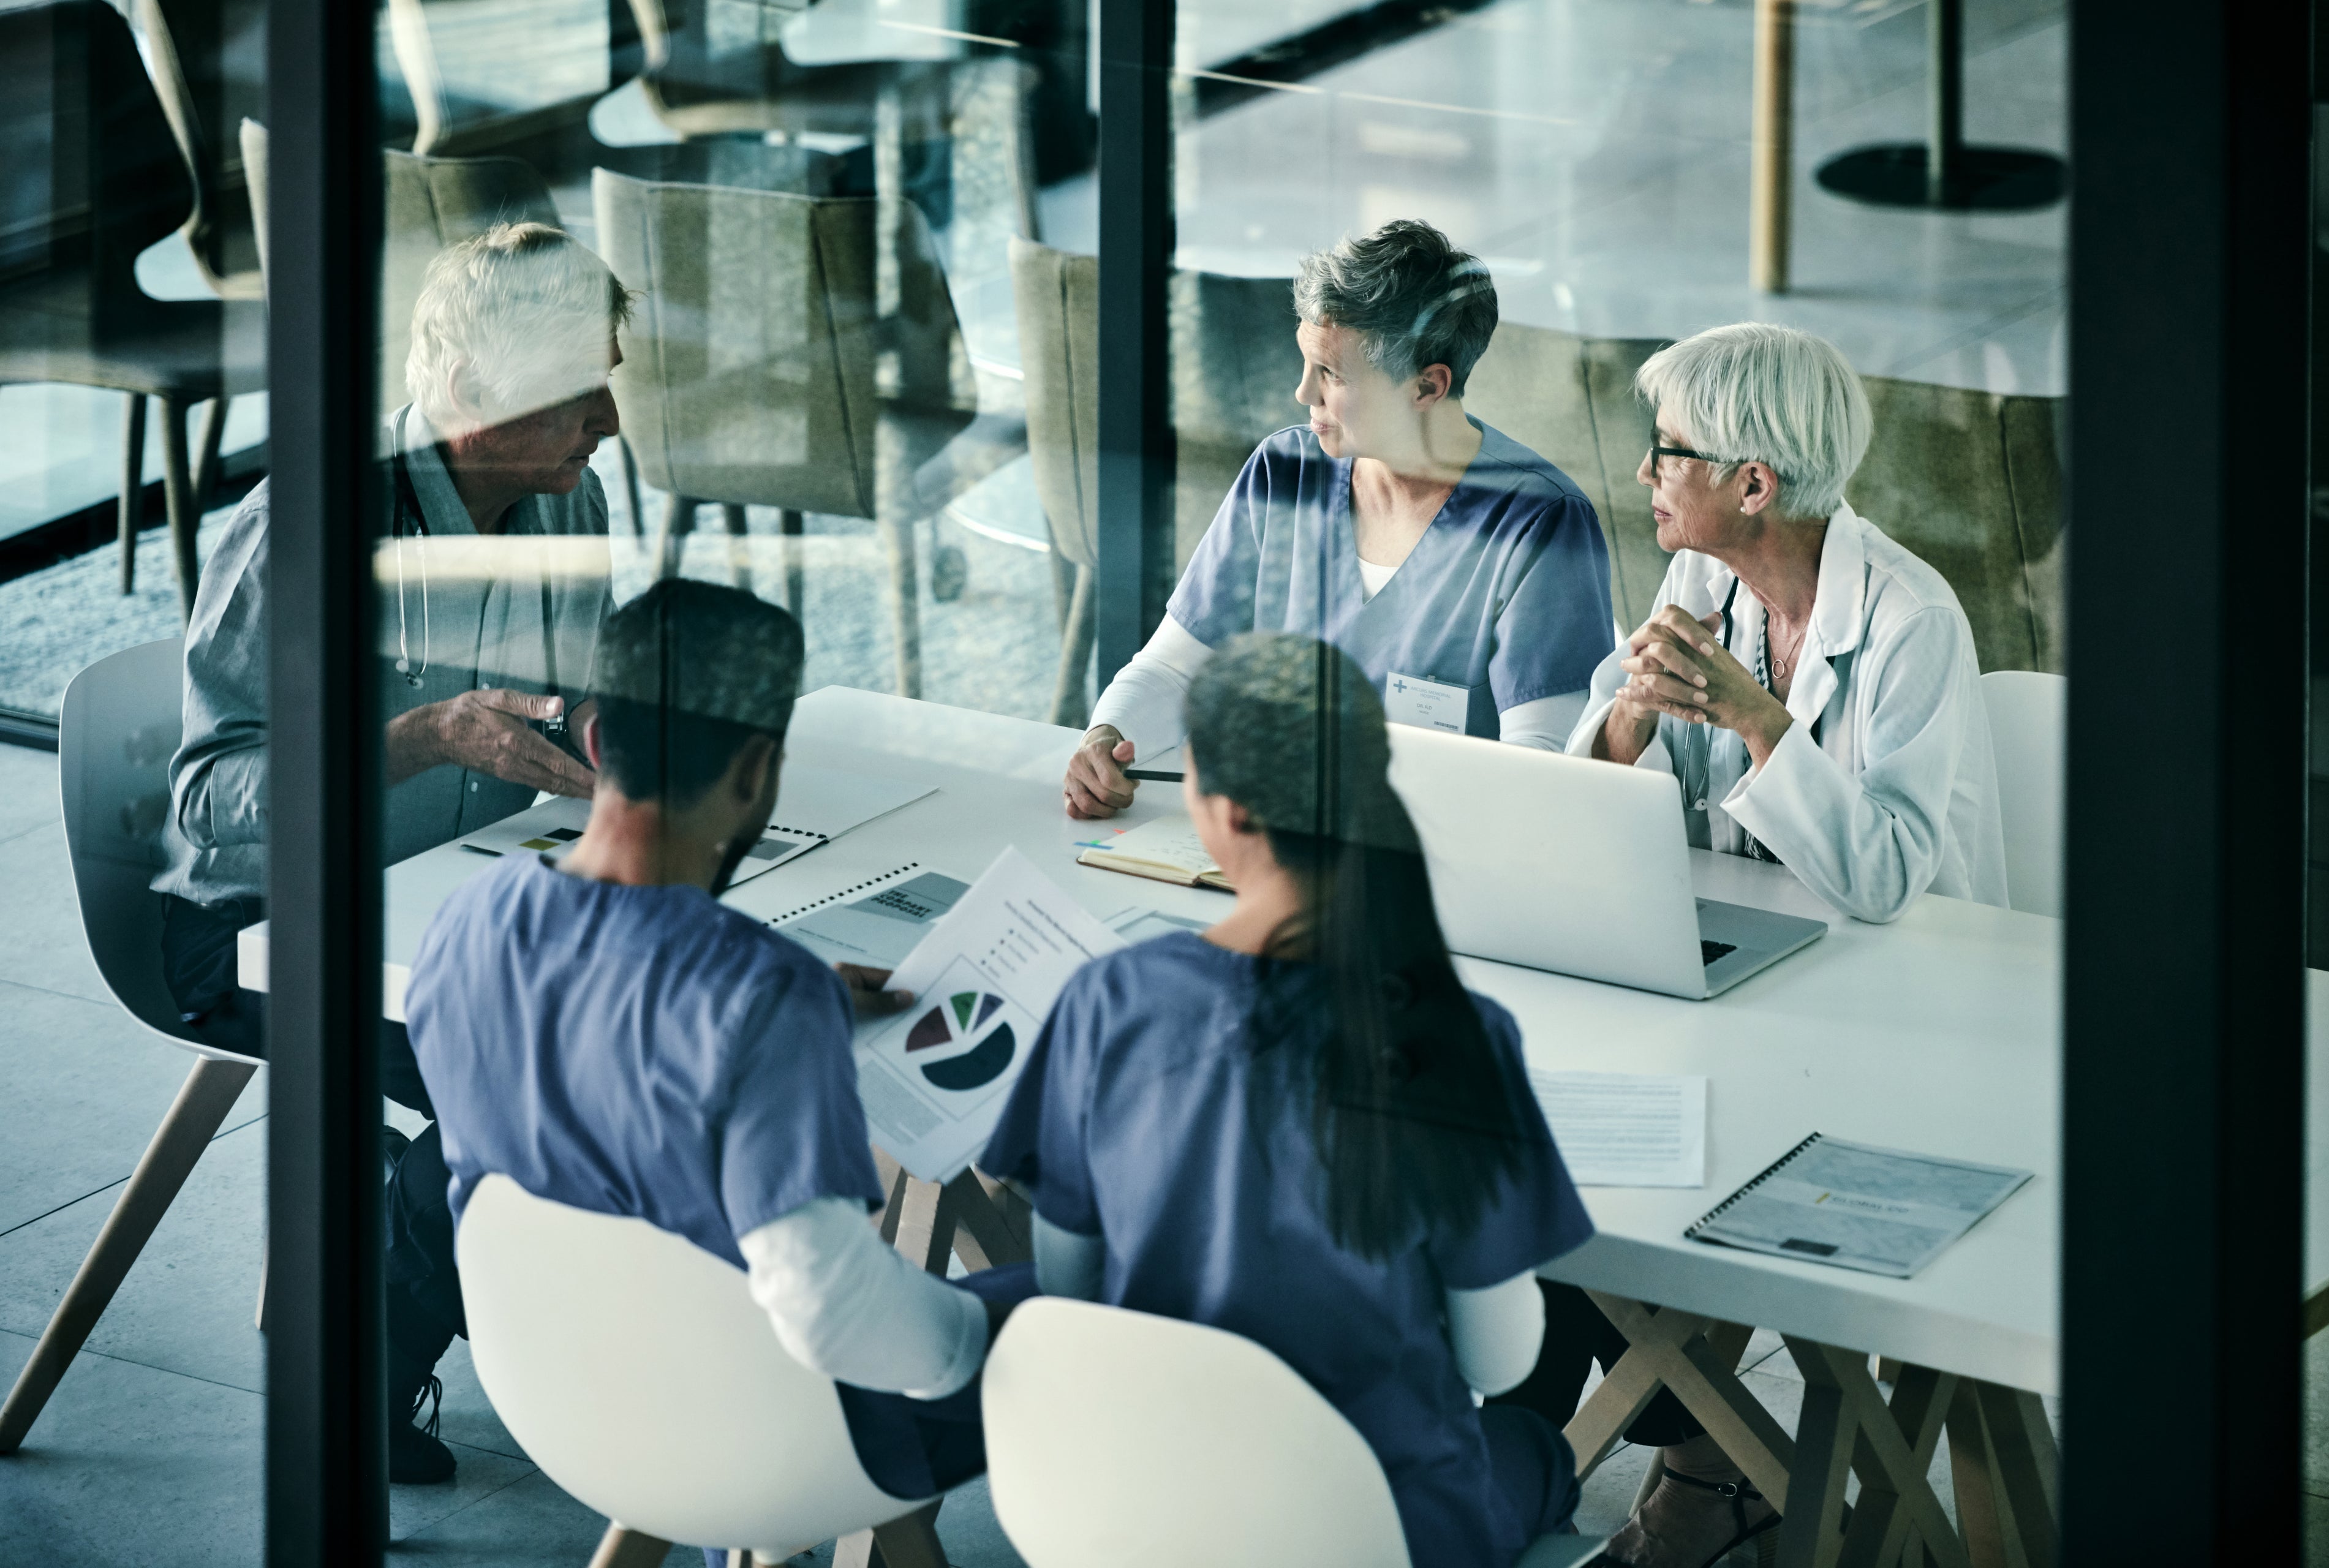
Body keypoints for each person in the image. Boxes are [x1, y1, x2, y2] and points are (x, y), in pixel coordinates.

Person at [406, 581, 1029, 1563]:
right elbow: (834, 1309)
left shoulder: (466, 929)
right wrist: (1000, 1342)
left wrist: (780, 993)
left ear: (599, 741)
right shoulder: (762, 1000)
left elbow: (605, 1055)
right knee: (1053, 1304)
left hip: (564, 1403)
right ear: (758, 770)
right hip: (763, 1436)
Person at [153, 221, 626, 1480]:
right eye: (584, 389)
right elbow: (206, 800)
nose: (612, 419)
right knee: (566, 1081)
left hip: (465, 897)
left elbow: (583, 690)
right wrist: (422, 735)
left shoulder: (565, 489)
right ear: (473, 395)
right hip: (265, 927)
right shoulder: (305, 525)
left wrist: (615, 733)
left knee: (654, 1032)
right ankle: (360, 1379)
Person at [992, 633, 1595, 1568]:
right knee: (1537, 1452)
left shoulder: (1107, 1003)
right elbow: (1500, 1364)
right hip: (1378, 1530)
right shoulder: (1456, 1030)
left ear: (1218, 810)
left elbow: (1072, 1290)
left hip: (1139, 1509)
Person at [1062, 219, 1615, 818]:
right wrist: (1105, 736)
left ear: (1427, 386)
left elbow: (1541, 770)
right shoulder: (1285, 472)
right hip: (1267, 842)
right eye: (1306, 364)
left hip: (1434, 869)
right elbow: (1175, 666)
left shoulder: (1538, 522)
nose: (1303, 393)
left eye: (1331, 373)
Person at [1566, 321, 2007, 924]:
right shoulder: (1701, 575)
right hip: (1738, 930)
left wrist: (1754, 716)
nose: (1646, 469)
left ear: (1752, 486)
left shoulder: (1914, 622)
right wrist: (1632, 711)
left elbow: (1890, 879)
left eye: (1667, 449)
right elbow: (1588, 807)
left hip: (1903, 968)